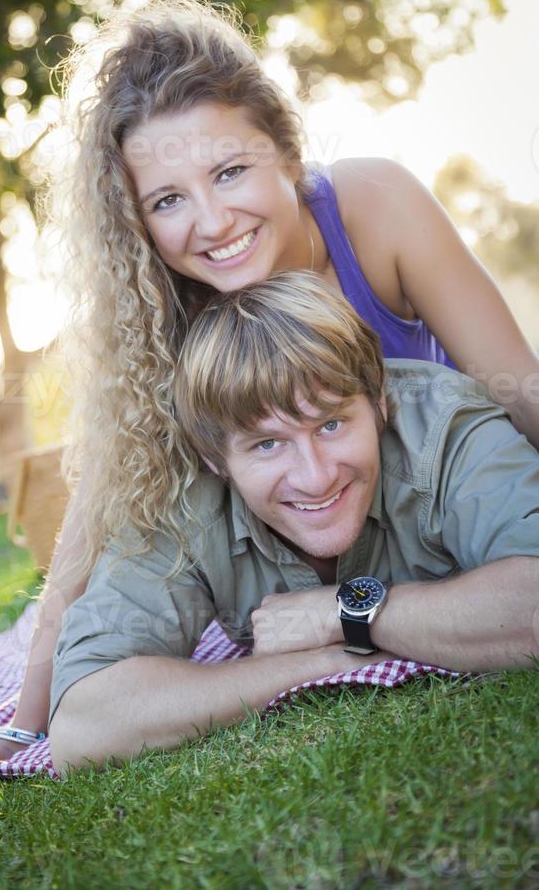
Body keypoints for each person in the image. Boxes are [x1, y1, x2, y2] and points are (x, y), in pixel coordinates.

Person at [0, 0, 539, 781]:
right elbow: (88, 530)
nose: (212, 222)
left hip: (441, 521)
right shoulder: (158, 315)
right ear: (138, 223)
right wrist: (29, 724)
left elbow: (518, 390)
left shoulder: (375, 207)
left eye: (230, 171)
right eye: (168, 200)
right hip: (302, 558)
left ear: (289, 156)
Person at [48, 271, 539, 772]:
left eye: (331, 424)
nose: (315, 476)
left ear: (378, 403)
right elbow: (83, 725)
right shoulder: (181, 496)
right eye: (267, 444)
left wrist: (340, 614)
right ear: (215, 458)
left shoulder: (446, 425)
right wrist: (324, 661)